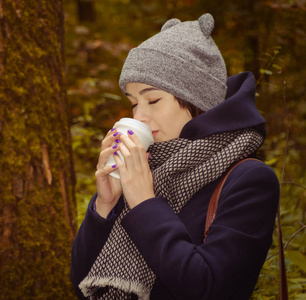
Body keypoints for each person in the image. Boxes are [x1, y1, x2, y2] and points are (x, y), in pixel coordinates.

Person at [70, 13, 279, 300]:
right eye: (133, 104)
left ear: (196, 99)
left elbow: (208, 287)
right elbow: (83, 287)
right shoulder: (144, 169)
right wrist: (105, 207)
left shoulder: (250, 180)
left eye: (153, 100)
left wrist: (144, 203)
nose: (139, 117)